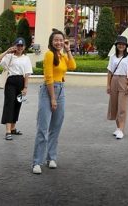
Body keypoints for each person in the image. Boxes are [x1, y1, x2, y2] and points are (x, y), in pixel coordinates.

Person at [32, 29, 76, 174]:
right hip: (48, 91)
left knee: (55, 128)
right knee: (43, 128)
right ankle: (37, 162)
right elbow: (48, 77)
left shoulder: (62, 55)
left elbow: (72, 66)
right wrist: (52, 98)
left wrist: (68, 50)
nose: (59, 42)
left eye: (61, 40)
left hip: (61, 90)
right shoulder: (49, 54)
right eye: (56, 40)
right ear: (51, 42)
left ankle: (51, 158)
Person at [0, 38, 33, 141]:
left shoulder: (26, 58)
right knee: (9, 105)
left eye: (22, 46)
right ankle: (8, 131)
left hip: (21, 82)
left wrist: (25, 87)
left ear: (24, 47)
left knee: (17, 104)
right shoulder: (9, 56)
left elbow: (27, 74)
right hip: (11, 82)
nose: (20, 47)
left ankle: (13, 128)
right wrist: (7, 51)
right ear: (14, 46)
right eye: (18, 45)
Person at [106, 36, 128, 140]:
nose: (121, 45)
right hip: (114, 80)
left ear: (126, 46)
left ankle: (121, 130)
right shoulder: (113, 57)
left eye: (123, 44)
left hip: (124, 80)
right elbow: (109, 72)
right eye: (119, 44)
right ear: (116, 45)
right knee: (114, 105)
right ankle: (118, 128)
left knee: (122, 106)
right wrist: (108, 85)